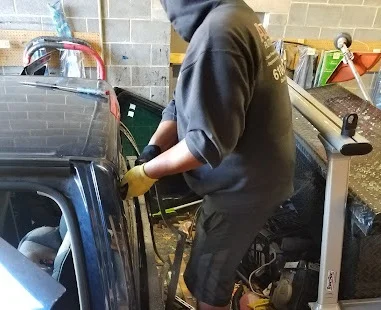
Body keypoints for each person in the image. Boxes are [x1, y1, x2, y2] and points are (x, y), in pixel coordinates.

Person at [122, 0, 295, 309]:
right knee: (211, 264)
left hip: (244, 187)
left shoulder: (219, 33)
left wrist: (149, 172)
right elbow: (180, 104)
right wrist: (154, 148)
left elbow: (206, 143)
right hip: (253, 175)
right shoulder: (232, 14)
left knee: (207, 278)